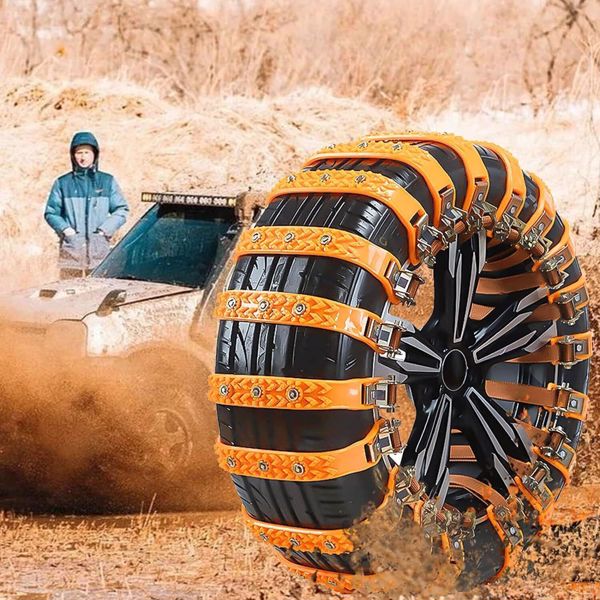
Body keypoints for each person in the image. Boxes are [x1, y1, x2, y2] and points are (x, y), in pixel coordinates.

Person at [44, 131, 129, 279]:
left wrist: (104, 230)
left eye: (87, 152)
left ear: (95, 154)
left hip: (99, 254)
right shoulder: (62, 183)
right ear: (72, 155)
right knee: (68, 296)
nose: (83, 157)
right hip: (71, 254)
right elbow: (51, 212)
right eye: (79, 152)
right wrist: (66, 230)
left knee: (97, 296)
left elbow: (121, 210)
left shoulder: (107, 181)